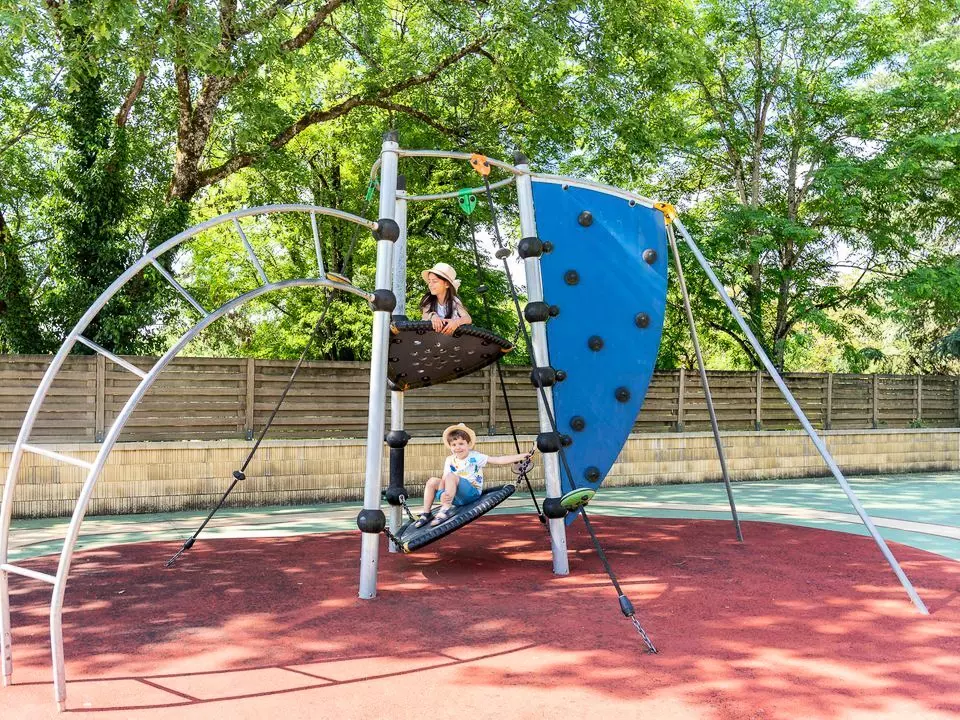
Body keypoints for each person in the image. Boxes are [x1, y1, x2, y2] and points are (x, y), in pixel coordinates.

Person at [415, 423, 533, 528]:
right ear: (450, 447)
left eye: (461, 443)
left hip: (471, 493)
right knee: (432, 481)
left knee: (451, 476)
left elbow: (498, 460)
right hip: (454, 497)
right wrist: (441, 493)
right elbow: (444, 478)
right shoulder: (449, 459)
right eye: (454, 444)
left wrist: (521, 456)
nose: (457, 447)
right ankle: (427, 513)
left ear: (468, 444)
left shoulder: (475, 457)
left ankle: (445, 509)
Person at [420, 262, 472, 336]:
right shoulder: (428, 300)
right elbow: (425, 316)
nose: (430, 285)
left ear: (447, 284)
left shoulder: (454, 301)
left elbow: (468, 318)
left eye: (434, 281)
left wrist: (456, 322)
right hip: (432, 338)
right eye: (429, 281)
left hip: (452, 339)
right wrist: (433, 316)